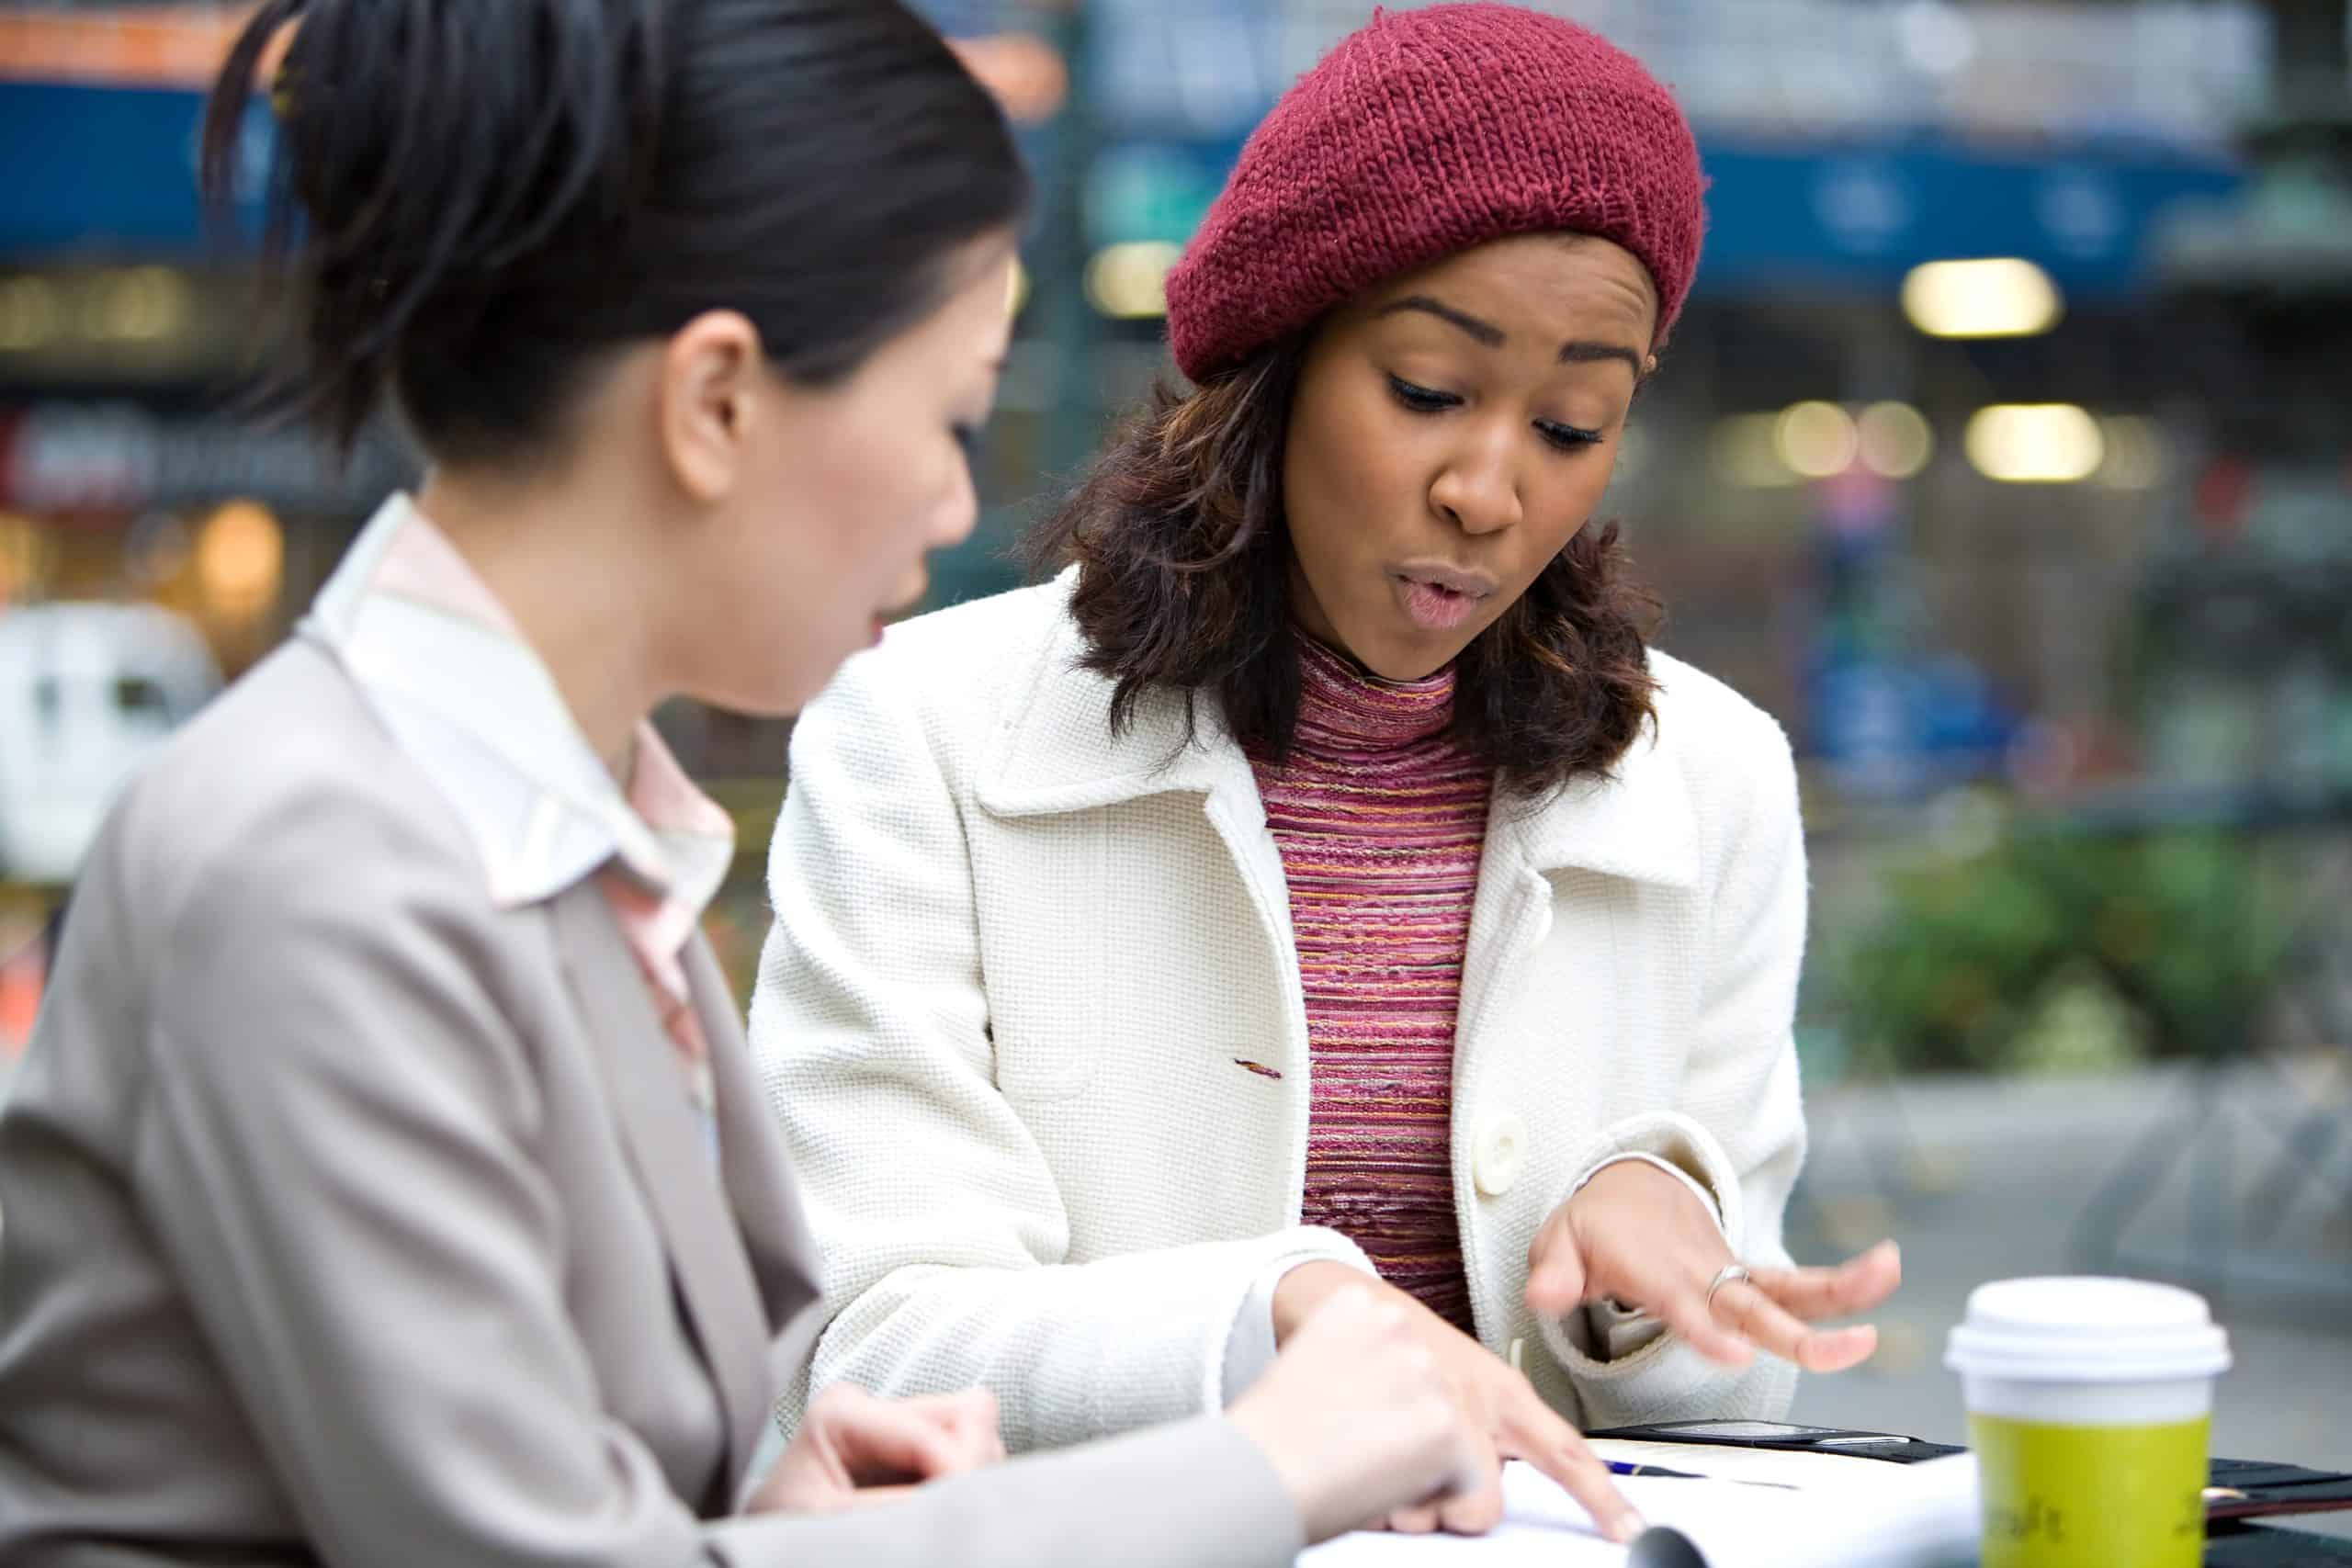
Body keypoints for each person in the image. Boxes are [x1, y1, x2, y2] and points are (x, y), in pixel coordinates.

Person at [0, 2, 1499, 1562]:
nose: (952, 499)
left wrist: (754, 1501)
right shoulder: (312, 872)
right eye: (949, 416)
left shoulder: (547, 842)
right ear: (715, 402)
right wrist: (1263, 1469)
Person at [750, 0, 1905, 1537]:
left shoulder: (1712, 779)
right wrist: (1278, 1314)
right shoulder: (920, 738)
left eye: (1573, 422)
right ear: (1277, 368)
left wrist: (1661, 1256)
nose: (1488, 487)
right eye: (1427, 390)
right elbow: (861, 1343)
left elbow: (1724, 1412)